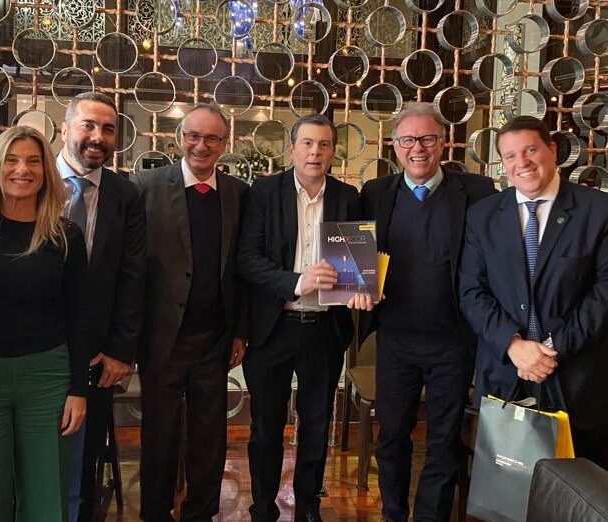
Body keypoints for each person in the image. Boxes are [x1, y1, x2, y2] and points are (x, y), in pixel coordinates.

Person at [360, 102, 495, 522]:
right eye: (407, 140)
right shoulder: (375, 194)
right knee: (391, 437)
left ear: (443, 142)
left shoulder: (477, 192)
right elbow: (354, 255)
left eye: (427, 138)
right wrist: (353, 287)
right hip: (395, 340)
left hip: (452, 343)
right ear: (394, 145)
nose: (417, 148)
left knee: (443, 442)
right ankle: (393, 514)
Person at [0, 125, 92, 521]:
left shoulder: (64, 235)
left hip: (47, 376)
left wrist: (78, 389)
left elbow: (80, 314)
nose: (22, 169)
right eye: (11, 160)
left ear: (46, 171)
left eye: (33, 161)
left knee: (47, 491)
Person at [238, 114, 371, 522]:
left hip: (324, 330)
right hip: (273, 328)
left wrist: (362, 285)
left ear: (333, 152)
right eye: (308, 144)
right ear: (292, 148)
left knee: (316, 424)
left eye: (324, 145)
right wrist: (297, 281)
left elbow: (356, 266)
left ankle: (308, 507)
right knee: (265, 427)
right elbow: (247, 259)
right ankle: (263, 507)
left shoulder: (348, 196)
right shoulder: (264, 192)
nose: (316, 152)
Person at [460, 115, 608, 470]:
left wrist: (550, 349)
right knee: (506, 487)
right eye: (510, 156)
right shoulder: (482, 216)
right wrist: (514, 346)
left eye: (530, 150)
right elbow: (471, 291)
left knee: (578, 489)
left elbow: (604, 293)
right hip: (505, 376)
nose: (521, 163)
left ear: (552, 150)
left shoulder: (598, 211)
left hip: (577, 380)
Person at [135, 103, 248, 522]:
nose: (201, 146)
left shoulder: (238, 193)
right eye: (193, 136)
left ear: (224, 143)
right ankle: (155, 512)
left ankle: (201, 513)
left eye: (212, 138)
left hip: (214, 339)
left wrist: (240, 331)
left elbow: (241, 269)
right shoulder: (145, 186)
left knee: (209, 437)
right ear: (179, 138)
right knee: (159, 435)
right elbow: (132, 268)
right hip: (161, 337)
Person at [57, 92, 146, 522]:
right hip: (29, 342)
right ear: (64, 129)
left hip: (95, 353)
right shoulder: (30, 180)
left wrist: (120, 350)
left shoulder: (126, 195)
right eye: (88, 125)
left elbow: (133, 276)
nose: (98, 137)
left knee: (84, 457)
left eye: (108, 129)